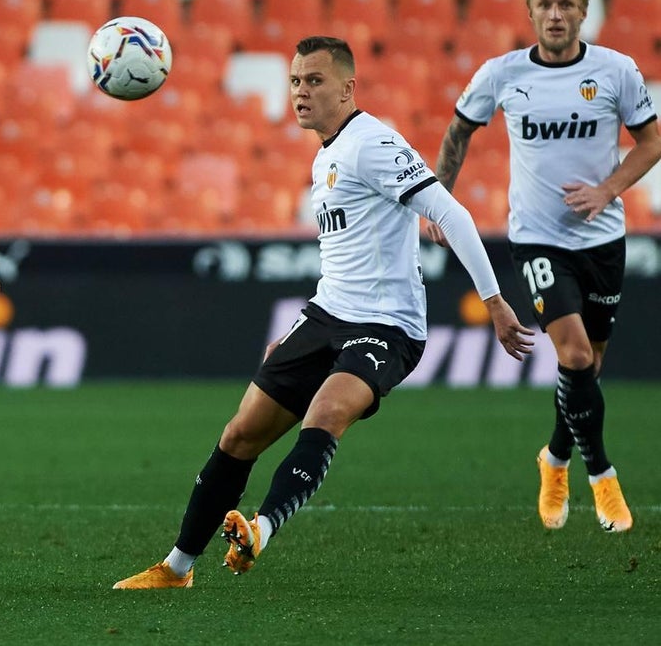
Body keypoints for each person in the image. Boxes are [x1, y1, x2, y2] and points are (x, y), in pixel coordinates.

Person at [113, 36, 534, 589]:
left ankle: (260, 528)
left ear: (347, 87)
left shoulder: (372, 144)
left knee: (327, 413)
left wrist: (495, 302)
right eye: (295, 82)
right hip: (326, 316)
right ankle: (176, 569)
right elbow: (343, 254)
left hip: (387, 325)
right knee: (240, 436)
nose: (301, 92)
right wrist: (296, 334)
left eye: (314, 81)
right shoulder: (327, 154)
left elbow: (450, 214)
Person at [427, 0, 661, 534]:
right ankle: (602, 478)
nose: (555, 15)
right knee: (577, 357)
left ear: (584, 11)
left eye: (566, 5)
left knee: (590, 367)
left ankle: (554, 457)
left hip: (602, 240)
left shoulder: (615, 71)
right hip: (536, 239)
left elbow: (652, 143)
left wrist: (607, 190)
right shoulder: (501, 74)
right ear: (529, 11)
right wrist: (438, 197)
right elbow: (459, 131)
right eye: (545, 5)